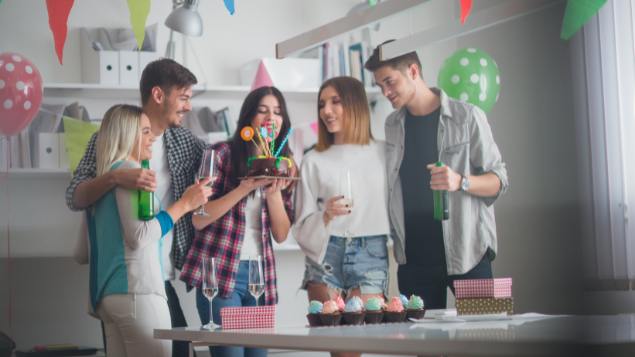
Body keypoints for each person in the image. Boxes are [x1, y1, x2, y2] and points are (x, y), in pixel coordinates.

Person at [66, 58, 205, 357]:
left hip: (154, 276)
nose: (188, 107)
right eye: (183, 98)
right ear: (158, 95)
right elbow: (75, 196)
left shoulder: (185, 142)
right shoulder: (107, 141)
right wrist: (116, 177)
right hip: (137, 281)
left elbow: (219, 166)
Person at [363, 40, 509, 309]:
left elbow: (499, 180)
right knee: (424, 346)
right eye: (380, 85)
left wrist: (460, 181)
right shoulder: (392, 125)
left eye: (390, 82)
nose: (385, 91)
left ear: (413, 71)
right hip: (414, 263)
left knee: (484, 340)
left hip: (469, 254)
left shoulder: (468, 117)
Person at [180, 86, 294, 357]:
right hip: (220, 274)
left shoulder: (283, 164)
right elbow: (198, 217)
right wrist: (244, 188)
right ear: (248, 119)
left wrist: (273, 192)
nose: (271, 118)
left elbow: (281, 234)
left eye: (277, 112)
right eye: (263, 110)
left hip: (258, 276)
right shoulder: (219, 154)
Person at [293, 76, 390, 356]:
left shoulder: (384, 152)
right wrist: (325, 216)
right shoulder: (313, 159)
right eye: (322, 104)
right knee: (340, 351)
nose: (326, 110)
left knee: (358, 346)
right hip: (325, 259)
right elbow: (300, 225)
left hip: (370, 255)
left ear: (356, 104)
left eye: (336, 102)